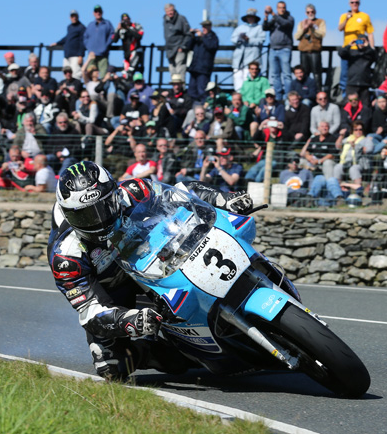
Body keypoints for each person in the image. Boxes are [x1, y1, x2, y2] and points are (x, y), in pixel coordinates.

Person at [49, 160, 253, 380]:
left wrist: (223, 198)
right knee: (113, 367)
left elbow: (181, 192)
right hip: (112, 290)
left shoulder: (133, 191)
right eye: (86, 216)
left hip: (150, 257)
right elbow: (90, 313)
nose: (98, 221)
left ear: (115, 195)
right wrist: (130, 321)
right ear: (70, 216)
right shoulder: (66, 257)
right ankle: (163, 350)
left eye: (103, 208)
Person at [338, 0, 374, 93]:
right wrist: (347, 19)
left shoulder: (365, 16)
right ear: (349, 4)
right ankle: (345, 95)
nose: (354, 4)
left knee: (360, 73)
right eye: (352, 2)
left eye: (356, 2)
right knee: (344, 73)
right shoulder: (344, 16)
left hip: (360, 50)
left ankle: (359, 94)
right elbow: (340, 28)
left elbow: (370, 33)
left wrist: (371, 47)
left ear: (359, 3)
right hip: (348, 48)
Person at [262, 1, 294, 101]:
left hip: (285, 49)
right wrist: (266, 17)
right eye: (280, 7)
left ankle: (288, 97)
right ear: (277, 8)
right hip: (273, 49)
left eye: (283, 7)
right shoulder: (274, 19)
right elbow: (265, 27)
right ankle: (279, 97)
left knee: (286, 75)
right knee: (275, 75)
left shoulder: (289, 19)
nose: (282, 9)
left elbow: (284, 24)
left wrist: (273, 14)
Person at [231, 9, 265, 92]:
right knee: (237, 77)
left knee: (248, 78)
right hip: (239, 59)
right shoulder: (240, 28)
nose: (250, 19)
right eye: (249, 17)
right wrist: (240, 39)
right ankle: (239, 96)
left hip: (252, 59)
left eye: (252, 17)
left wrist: (249, 39)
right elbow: (233, 39)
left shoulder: (259, 28)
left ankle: (247, 97)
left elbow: (261, 40)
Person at [294, 4, 326, 93]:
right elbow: (296, 36)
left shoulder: (320, 22)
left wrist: (313, 28)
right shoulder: (301, 23)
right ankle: (304, 92)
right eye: (308, 12)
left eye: (312, 12)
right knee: (304, 74)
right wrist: (304, 29)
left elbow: (322, 34)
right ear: (305, 13)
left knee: (317, 74)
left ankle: (318, 92)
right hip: (304, 52)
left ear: (315, 12)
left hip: (315, 51)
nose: (310, 13)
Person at [187, 21, 219, 103]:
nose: (204, 28)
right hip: (194, 67)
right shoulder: (198, 38)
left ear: (210, 27)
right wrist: (192, 36)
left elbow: (211, 47)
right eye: (203, 27)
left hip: (204, 69)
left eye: (206, 26)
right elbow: (188, 47)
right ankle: (194, 108)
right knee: (191, 90)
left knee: (202, 90)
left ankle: (203, 107)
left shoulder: (213, 37)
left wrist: (203, 37)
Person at [338, 35, 376, 104]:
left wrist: (368, 46)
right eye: (359, 41)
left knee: (365, 105)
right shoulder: (352, 52)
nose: (361, 43)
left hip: (364, 84)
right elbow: (341, 53)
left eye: (363, 41)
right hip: (352, 83)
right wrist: (349, 45)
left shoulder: (368, 54)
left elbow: (375, 56)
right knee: (349, 104)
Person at [51, 10, 86, 81]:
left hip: (76, 55)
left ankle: (76, 89)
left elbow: (83, 42)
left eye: (75, 16)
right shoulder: (69, 27)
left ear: (78, 17)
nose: (74, 18)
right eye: (72, 16)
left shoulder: (82, 27)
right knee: (66, 74)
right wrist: (57, 43)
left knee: (75, 74)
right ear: (70, 17)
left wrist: (80, 55)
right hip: (67, 55)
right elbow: (67, 37)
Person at [83, 5, 115, 79]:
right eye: (96, 11)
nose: (98, 13)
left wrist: (105, 46)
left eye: (99, 11)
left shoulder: (107, 23)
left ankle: (102, 90)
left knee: (103, 75)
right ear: (93, 13)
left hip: (103, 55)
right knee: (89, 74)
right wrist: (89, 48)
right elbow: (85, 37)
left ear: (102, 12)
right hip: (92, 55)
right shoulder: (90, 25)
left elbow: (112, 35)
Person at [163, 4, 192, 79]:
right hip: (169, 49)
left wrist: (182, 46)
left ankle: (181, 89)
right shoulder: (165, 20)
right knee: (172, 71)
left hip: (179, 48)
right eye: (168, 11)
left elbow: (188, 34)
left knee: (180, 71)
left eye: (171, 10)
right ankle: (174, 89)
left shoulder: (181, 19)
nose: (170, 13)